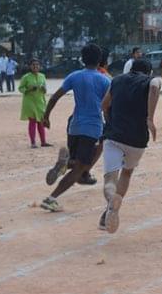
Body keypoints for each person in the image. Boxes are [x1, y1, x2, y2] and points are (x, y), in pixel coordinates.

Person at [40, 43, 111, 212]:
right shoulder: (105, 80)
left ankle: (72, 168)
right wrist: (111, 124)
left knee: (78, 162)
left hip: (74, 126)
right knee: (80, 166)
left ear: (82, 59)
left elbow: (54, 97)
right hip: (92, 128)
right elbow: (108, 106)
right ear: (100, 60)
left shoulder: (74, 76)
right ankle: (52, 198)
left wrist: (46, 116)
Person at [99, 58, 162, 232]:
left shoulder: (117, 80)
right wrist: (150, 118)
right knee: (126, 173)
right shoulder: (150, 80)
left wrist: (109, 121)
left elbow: (104, 105)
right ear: (149, 72)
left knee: (110, 179)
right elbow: (155, 86)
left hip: (114, 136)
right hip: (137, 139)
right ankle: (112, 209)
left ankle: (111, 200)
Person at [18, 58, 51, 148]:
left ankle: (43, 142)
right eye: (33, 65)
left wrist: (44, 89)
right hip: (30, 103)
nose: (35, 66)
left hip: (40, 102)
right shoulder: (26, 77)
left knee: (41, 122)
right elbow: (20, 88)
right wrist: (28, 89)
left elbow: (45, 90)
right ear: (30, 66)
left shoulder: (42, 76)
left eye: (37, 65)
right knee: (32, 122)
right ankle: (33, 143)